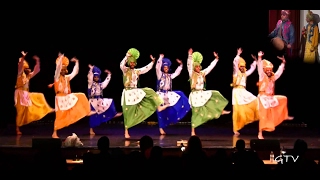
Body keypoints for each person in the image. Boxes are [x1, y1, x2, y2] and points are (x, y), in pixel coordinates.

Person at [120, 48, 169, 138]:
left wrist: (152, 62)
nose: (132, 64)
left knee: (149, 91)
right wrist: (127, 56)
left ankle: (158, 106)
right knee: (127, 113)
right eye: (131, 62)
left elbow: (145, 69)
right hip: (127, 93)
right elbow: (121, 64)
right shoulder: (125, 70)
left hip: (135, 91)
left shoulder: (137, 71)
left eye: (134, 63)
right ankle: (126, 132)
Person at [187, 48, 230, 136]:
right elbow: (189, 65)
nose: (198, 68)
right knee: (195, 113)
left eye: (199, 66)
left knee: (215, 94)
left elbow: (210, 67)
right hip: (195, 95)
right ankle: (193, 131)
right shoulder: (192, 74)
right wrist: (190, 56)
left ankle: (220, 111)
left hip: (202, 93)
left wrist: (216, 59)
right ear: (194, 67)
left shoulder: (202, 73)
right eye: (197, 66)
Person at [49, 53, 90, 138]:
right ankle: (54, 133)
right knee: (59, 116)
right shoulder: (56, 78)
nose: (63, 71)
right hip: (59, 98)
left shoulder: (67, 78)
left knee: (81, 96)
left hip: (67, 97)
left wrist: (77, 62)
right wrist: (60, 59)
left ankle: (86, 111)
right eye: (62, 70)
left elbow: (75, 72)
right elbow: (57, 69)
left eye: (64, 69)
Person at [256, 51, 294, 139]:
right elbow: (260, 69)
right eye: (267, 70)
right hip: (262, 98)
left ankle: (285, 115)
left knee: (284, 98)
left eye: (270, 70)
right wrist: (259, 58)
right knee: (263, 115)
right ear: (265, 71)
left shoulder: (273, 77)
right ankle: (260, 133)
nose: (269, 71)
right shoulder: (262, 76)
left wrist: (283, 63)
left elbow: (279, 72)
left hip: (271, 97)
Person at [15, 51, 54, 135]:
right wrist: (23, 58)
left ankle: (47, 109)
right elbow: (20, 67)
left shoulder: (28, 76)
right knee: (20, 112)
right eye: (27, 69)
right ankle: (17, 128)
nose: (29, 70)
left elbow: (37, 70)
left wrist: (38, 61)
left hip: (26, 94)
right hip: (19, 94)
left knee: (40, 96)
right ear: (24, 69)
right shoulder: (20, 75)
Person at [153, 54, 191, 135]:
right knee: (160, 112)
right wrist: (160, 58)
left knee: (180, 95)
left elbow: (177, 73)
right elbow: (157, 68)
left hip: (168, 94)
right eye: (164, 67)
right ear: (163, 68)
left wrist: (181, 65)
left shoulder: (170, 76)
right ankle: (161, 128)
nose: (166, 68)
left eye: (167, 67)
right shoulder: (160, 75)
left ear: (168, 68)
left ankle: (171, 119)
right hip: (160, 94)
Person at [87, 65, 122, 135]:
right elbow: (89, 78)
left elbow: (106, 82)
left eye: (97, 77)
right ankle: (91, 130)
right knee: (93, 116)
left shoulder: (100, 85)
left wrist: (109, 75)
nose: (96, 78)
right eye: (95, 77)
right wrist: (91, 70)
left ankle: (113, 114)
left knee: (110, 101)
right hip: (93, 101)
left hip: (99, 101)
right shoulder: (91, 84)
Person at [231, 48, 259, 136]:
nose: (242, 68)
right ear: (239, 67)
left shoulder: (245, 74)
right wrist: (238, 55)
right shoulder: (236, 73)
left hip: (243, 91)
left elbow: (252, 69)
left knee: (255, 99)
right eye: (241, 66)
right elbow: (235, 64)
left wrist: (255, 61)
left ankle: (254, 116)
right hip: (236, 92)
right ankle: (235, 129)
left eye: (243, 66)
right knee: (237, 111)